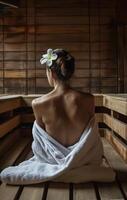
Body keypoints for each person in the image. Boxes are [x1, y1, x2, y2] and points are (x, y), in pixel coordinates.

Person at [32, 48, 95, 147]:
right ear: (71, 73)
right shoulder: (89, 99)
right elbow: (92, 136)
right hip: (81, 157)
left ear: (51, 73)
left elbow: (42, 144)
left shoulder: (38, 104)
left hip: (53, 159)